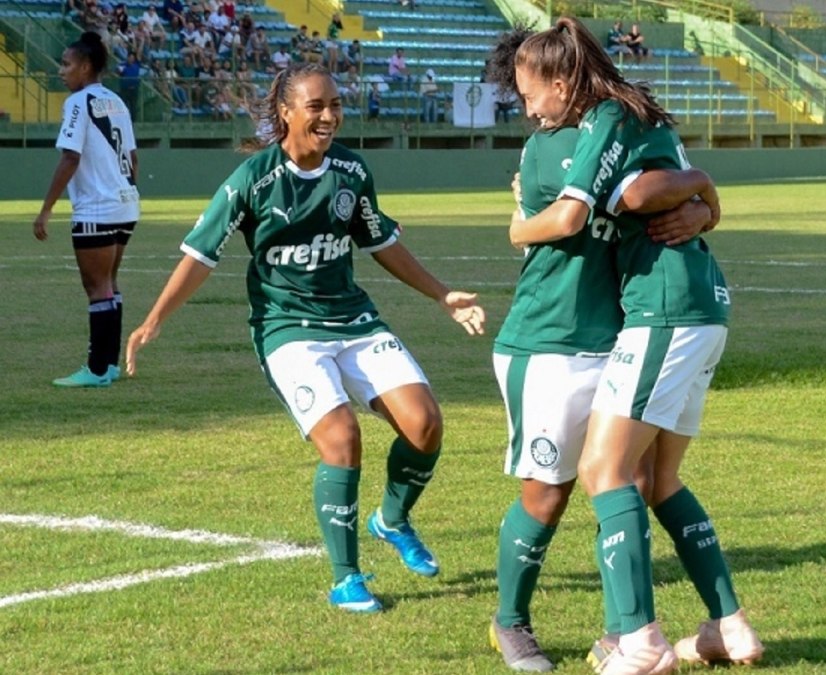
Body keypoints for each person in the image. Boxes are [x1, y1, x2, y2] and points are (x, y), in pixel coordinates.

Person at [123, 63, 487, 612]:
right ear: (286, 113)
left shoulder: (351, 171)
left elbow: (380, 242)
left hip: (353, 319)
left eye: (335, 104)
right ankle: (346, 578)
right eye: (316, 106)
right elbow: (199, 256)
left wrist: (441, 295)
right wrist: (154, 320)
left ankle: (391, 520)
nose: (330, 115)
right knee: (342, 440)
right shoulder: (252, 180)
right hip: (287, 328)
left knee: (426, 425)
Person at [508, 17, 763, 674]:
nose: (528, 107)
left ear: (563, 85)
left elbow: (632, 193)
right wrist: (706, 199)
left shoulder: (607, 118)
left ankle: (639, 641)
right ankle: (727, 626)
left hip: (664, 309)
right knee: (658, 478)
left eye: (531, 92)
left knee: (604, 471)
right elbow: (683, 191)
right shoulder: (643, 109)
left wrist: (516, 227)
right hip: (703, 300)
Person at [33, 31, 139, 388]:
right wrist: (128, 192)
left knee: (96, 287)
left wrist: (46, 209)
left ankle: (96, 368)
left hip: (96, 208)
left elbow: (70, 156)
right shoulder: (117, 102)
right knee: (108, 284)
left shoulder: (78, 103)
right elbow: (133, 158)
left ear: (86, 66)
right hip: (125, 206)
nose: (61, 71)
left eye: (66, 64)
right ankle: (109, 365)